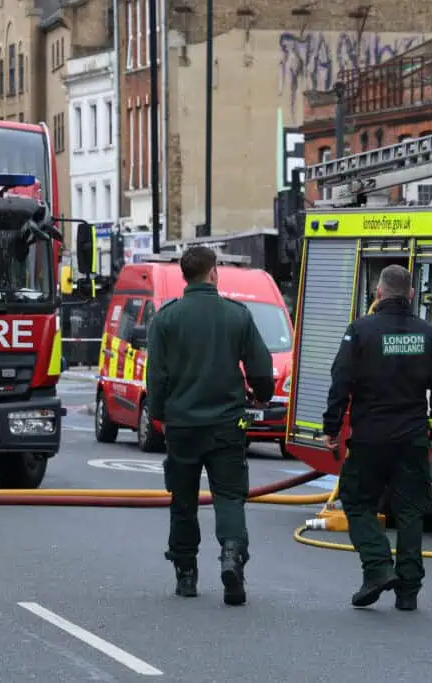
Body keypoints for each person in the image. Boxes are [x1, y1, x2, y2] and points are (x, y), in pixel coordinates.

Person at [321, 264, 432, 611]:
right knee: (410, 511)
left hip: (370, 438)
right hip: (412, 439)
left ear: (378, 293)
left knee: (356, 502)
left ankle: (378, 566)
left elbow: (340, 381)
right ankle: (408, 590)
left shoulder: (360, 331)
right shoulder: (429, 335)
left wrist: (331, 428)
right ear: (411, 294)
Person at [145, 246, 274, 606]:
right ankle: (232, 556)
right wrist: (262, 396)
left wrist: (160, 415)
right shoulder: (236, 315)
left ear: (185, 276)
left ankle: (186, 573)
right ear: (213, 272)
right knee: (229, 496)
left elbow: (156, 376)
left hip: (182, 425)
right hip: (226, 424)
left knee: (183, 500)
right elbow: (261, 367)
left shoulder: (166, 319)